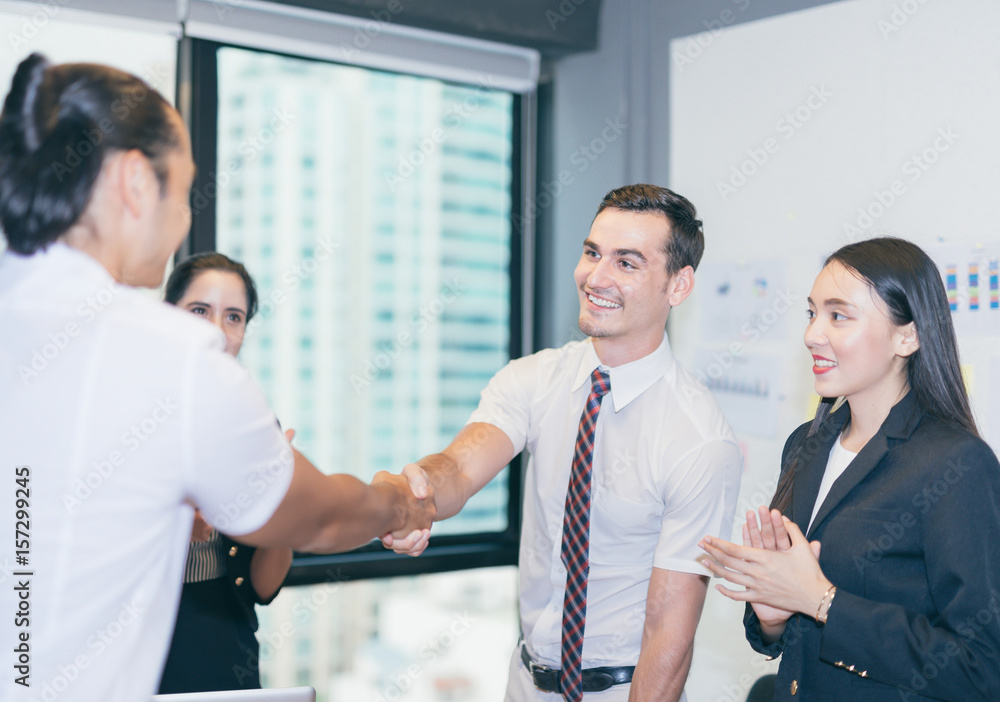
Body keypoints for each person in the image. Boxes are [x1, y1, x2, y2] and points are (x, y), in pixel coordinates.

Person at [0, 54, 431, 702]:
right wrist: (398, 500)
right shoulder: (169, 359)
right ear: (136, 185)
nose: (181, 219)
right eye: (182, 189)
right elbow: (319, 519)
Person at [383, 184, 743, 701]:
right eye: (593, 252)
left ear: (679, 284)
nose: (595, 277)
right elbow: (458, 469)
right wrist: (415, 492)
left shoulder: (699, 439)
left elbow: (669, 635)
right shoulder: (533, 379)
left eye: (627, 262)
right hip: (525, 682)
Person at [699, 237, 1000, 701]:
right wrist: (773, 617)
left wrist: (822, 602)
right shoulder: (806, 444)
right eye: (812, 313)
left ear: (908, 335)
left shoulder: (956, 464)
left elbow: (981, 668)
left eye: (838, 315)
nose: (813, 334)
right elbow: (794, 637)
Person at [158, 252, 292, 693]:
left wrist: (282, 508)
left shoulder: (255, 426)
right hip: (132, 634)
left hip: (219, 636)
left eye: (233, 317)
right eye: (200, 311)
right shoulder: (126, 411)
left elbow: (262, 587)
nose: (217, 330)